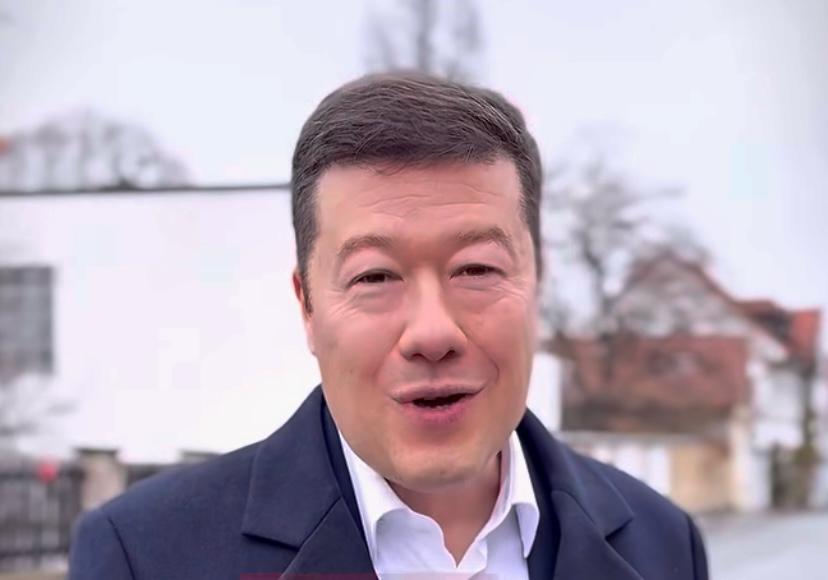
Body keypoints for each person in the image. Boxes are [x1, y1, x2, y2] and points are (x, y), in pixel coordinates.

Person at [69, 72, 709, 579]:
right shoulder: (147, 555)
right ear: (307, 307)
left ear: (536, 283)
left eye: (476, 269)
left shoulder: (662, 545)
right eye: (375, 277)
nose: (432, 334)